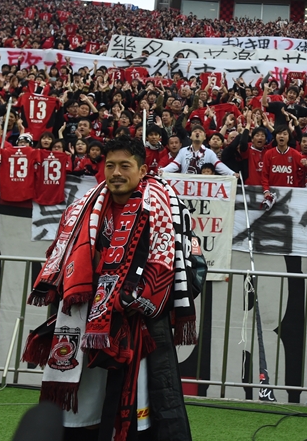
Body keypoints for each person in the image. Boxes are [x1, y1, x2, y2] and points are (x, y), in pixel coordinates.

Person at [25, 137, 194, 439]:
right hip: (83, 320)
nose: (116, 172)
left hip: (139, 323)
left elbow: (181, 265)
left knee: (143, 409)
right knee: (83, 407)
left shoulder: (165, 207)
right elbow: (59, 257)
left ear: (142, 170)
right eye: (110, 165)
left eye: (125, 166)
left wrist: (135, 296)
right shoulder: (81, 208)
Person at [161, 125, 234, 176]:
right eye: (195, 131)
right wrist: (163, 170)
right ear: (190, 136)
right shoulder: (183, 151)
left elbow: (219, 166)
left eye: (200, 131)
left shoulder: (209, 153)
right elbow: (175, 165)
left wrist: (232, 173)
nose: (197, 133)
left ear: (205, 137)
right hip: (185, 187)